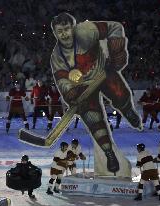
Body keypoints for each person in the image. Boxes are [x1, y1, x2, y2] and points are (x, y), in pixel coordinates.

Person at [50, 13, 142, 174]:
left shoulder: (86, 31)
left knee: (120, 93)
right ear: (55, 33)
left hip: (103, 72)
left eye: (66, 29)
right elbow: (62, 81)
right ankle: (109, 153)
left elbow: (115, 27)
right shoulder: (56, 57)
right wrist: (71, 95)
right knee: (92, 118)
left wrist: (116, 51)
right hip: (83, 89)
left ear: (73, 27)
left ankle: (127, 110)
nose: (64, 34)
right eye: (59, 31)